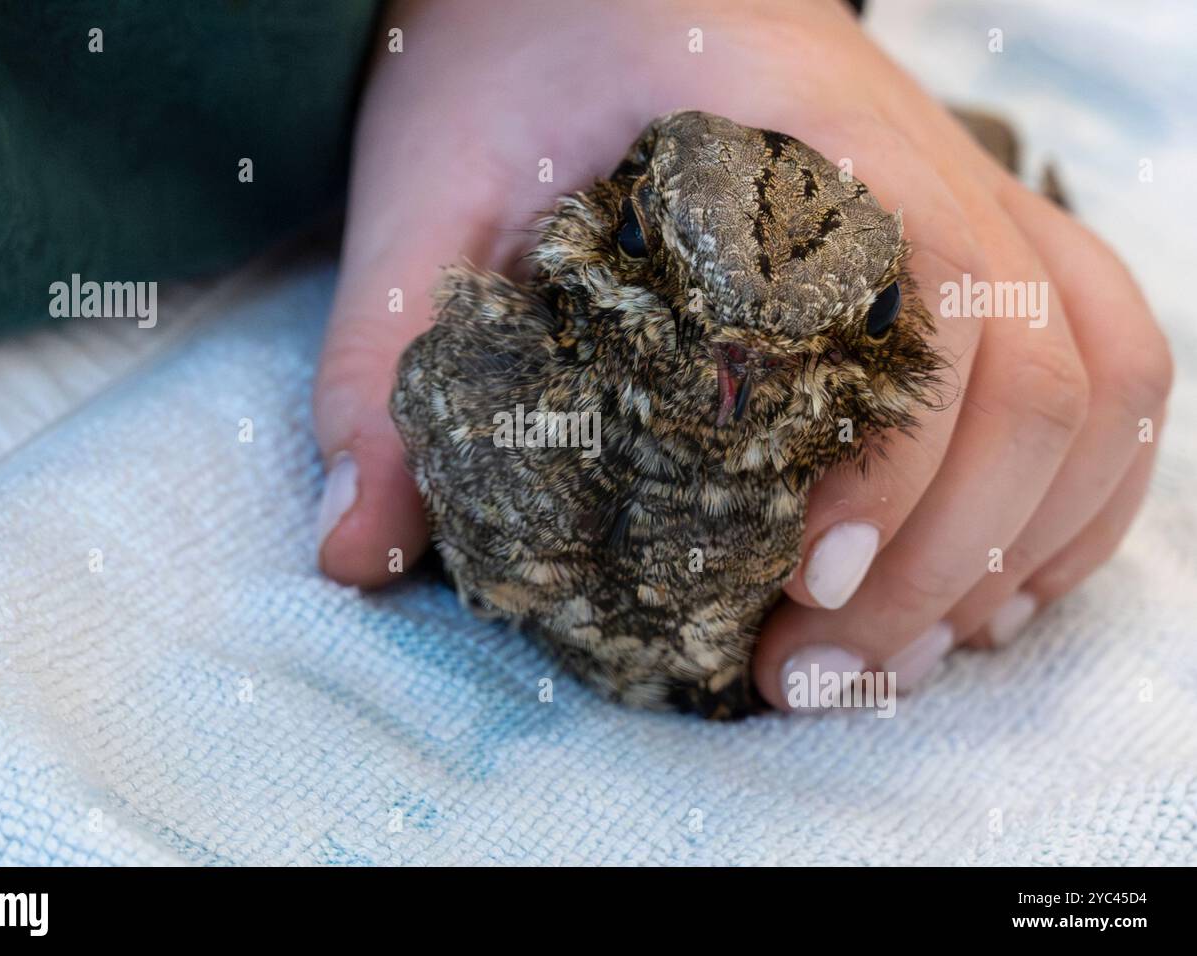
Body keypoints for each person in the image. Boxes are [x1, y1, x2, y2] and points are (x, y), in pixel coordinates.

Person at [310, 0, 1173, 710]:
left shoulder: (843, 472)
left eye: (868, 320)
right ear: (617, 213)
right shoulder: (488, 377)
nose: (735, 371)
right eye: (650, 245)